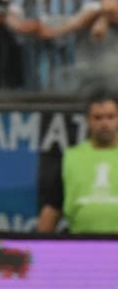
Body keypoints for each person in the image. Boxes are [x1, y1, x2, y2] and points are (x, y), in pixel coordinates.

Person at [37, 90, 118, 234]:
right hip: (81, 246)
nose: (104, 124)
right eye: (98, 118)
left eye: (110, 117)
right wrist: (38, 245)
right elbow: (52, 208)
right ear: (88, 120)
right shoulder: (71, 158)